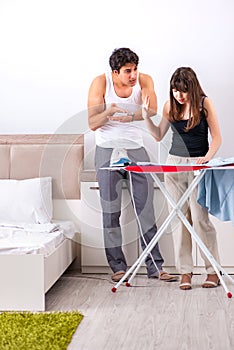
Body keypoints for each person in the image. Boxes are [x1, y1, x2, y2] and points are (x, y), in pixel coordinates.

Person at [87, 47, 178, 282]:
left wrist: (130, 116)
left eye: (135, 69)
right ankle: (118, 266)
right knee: (110, 211)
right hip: (107, 148)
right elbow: (92, 123)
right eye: (128, 71)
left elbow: (153, 111)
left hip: (135, 147)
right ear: (115, 72)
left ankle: (155, 266)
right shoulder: (101, 83)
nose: (133, 75)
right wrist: (108, 111)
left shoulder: (144, 80)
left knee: (145, 209)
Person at [142, 67, 222, 290]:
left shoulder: (204, 104)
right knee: (179, 220)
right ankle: (185, 272)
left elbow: (217, 138)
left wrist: (206, 158)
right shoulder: (170, 106)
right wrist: (147, 117)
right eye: (175, 91)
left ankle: (212, 271)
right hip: (174, 165)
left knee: (200, 219)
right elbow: (158, 135)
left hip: (198, 165)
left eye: (183, 91)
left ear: (192, 88)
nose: (179, 95)